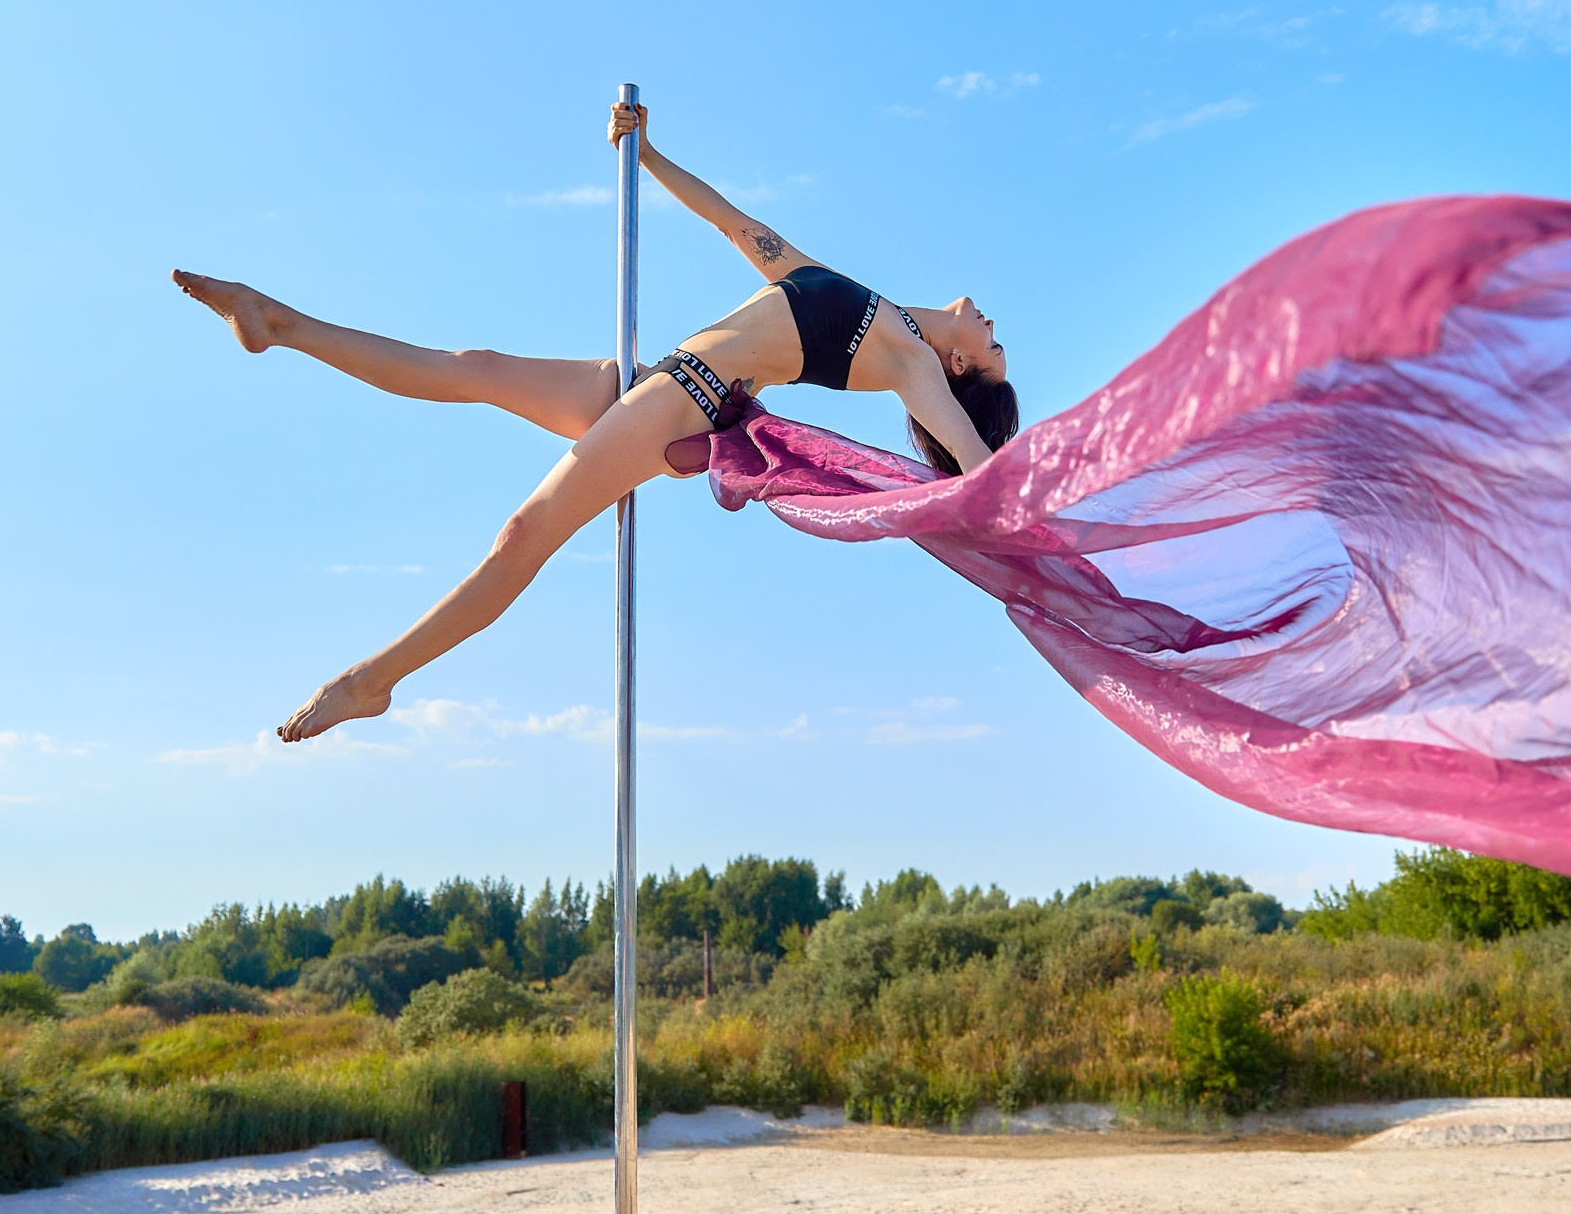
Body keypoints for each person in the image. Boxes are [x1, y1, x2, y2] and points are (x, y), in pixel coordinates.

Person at [172, 98, 1019, 743]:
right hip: (660, 380)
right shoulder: (873, 305)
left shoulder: (911, 359)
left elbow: (976, 461)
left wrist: (1036, 499)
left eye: (995, 346)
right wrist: (648, 155)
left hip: (689, 393)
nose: (991, 324)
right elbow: (739, 226)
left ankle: (374, 679)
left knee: (523, 532)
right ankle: (280, 325)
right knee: (474, 369)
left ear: (958, 366)